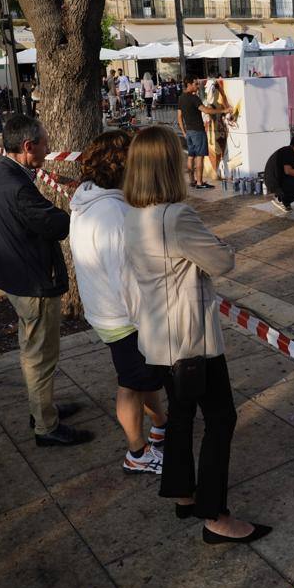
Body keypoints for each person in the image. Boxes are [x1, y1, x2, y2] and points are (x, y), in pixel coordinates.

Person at [123, 125, 271, 544]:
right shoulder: (176, 216)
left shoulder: (134, 214)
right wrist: (218, 245)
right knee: (221, 419)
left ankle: (183, 494)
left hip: (158, 337)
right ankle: (215, 516)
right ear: (170, 167)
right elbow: (223, 261)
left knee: (182, 417)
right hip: (190, 341)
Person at [0, 114, 93, 447]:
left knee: (33, 352)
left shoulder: (1, 174)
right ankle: (46, 426)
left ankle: (43, 408)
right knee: (41, 357)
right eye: (44, 143)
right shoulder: (16, 187)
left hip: (19, 277)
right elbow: (57, 224)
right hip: (33, 283)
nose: (48, 149)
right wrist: (82, 208)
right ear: (28, 146)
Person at [70, 130, 167, 474]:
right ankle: (137, 454)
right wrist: (149, 320)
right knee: (131, 384)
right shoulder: (111, 212)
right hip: (124, 316)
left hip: (106, 309)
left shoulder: (88, 197)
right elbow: (124, 275)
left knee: (143, 378)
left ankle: (160, 428)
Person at [177, 76, 229, 190]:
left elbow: (179, 117)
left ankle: (192, 181)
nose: (197, 86)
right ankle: (200, 183)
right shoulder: (194, 98)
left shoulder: (181, 98)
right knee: (199, 157)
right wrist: (223, 110)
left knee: (191, 156)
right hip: (198, 131)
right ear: (189, 85)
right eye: (195, 84)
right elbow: (206, 110)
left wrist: (184, 132)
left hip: (189, 132)